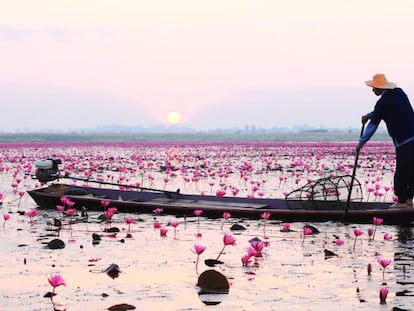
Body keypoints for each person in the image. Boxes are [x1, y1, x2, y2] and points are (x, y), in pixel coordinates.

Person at [356, 73, 414, 208]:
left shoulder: (382, 103)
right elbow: (383, 112)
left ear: (380, 88)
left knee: (402, 170)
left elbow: (372, 127)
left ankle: (401, 201)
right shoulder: (399, 93)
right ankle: (409, 200)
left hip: (404, 140)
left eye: (374, 88)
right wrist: (370, 115)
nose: (373, 90)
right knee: (411, 169)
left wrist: (361, 143)